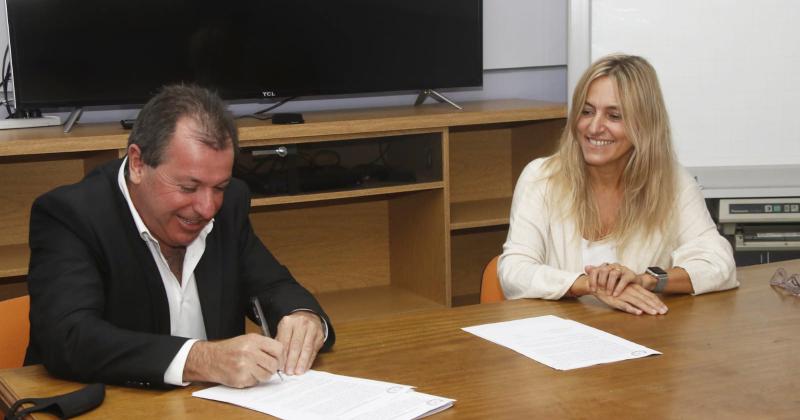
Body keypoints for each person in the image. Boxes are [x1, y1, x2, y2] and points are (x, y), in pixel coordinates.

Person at [25, 84, 334, 389]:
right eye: (188, 188)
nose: (207, 207)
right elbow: (69, 338)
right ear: (137, 164)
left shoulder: (230, 204)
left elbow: (273, 285)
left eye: (220, 187)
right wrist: (202, 359)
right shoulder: (71, 215)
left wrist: (303, 317)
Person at [498, 54, 738, 315]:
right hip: (561, 338)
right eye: (587, 112)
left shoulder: (672, 182)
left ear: (644, 125)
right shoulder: (541, 178)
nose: (594, 127)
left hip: (640, 337)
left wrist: (647, 280)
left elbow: (720, 264)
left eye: (614, 116)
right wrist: (590, 284)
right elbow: (513, 271)